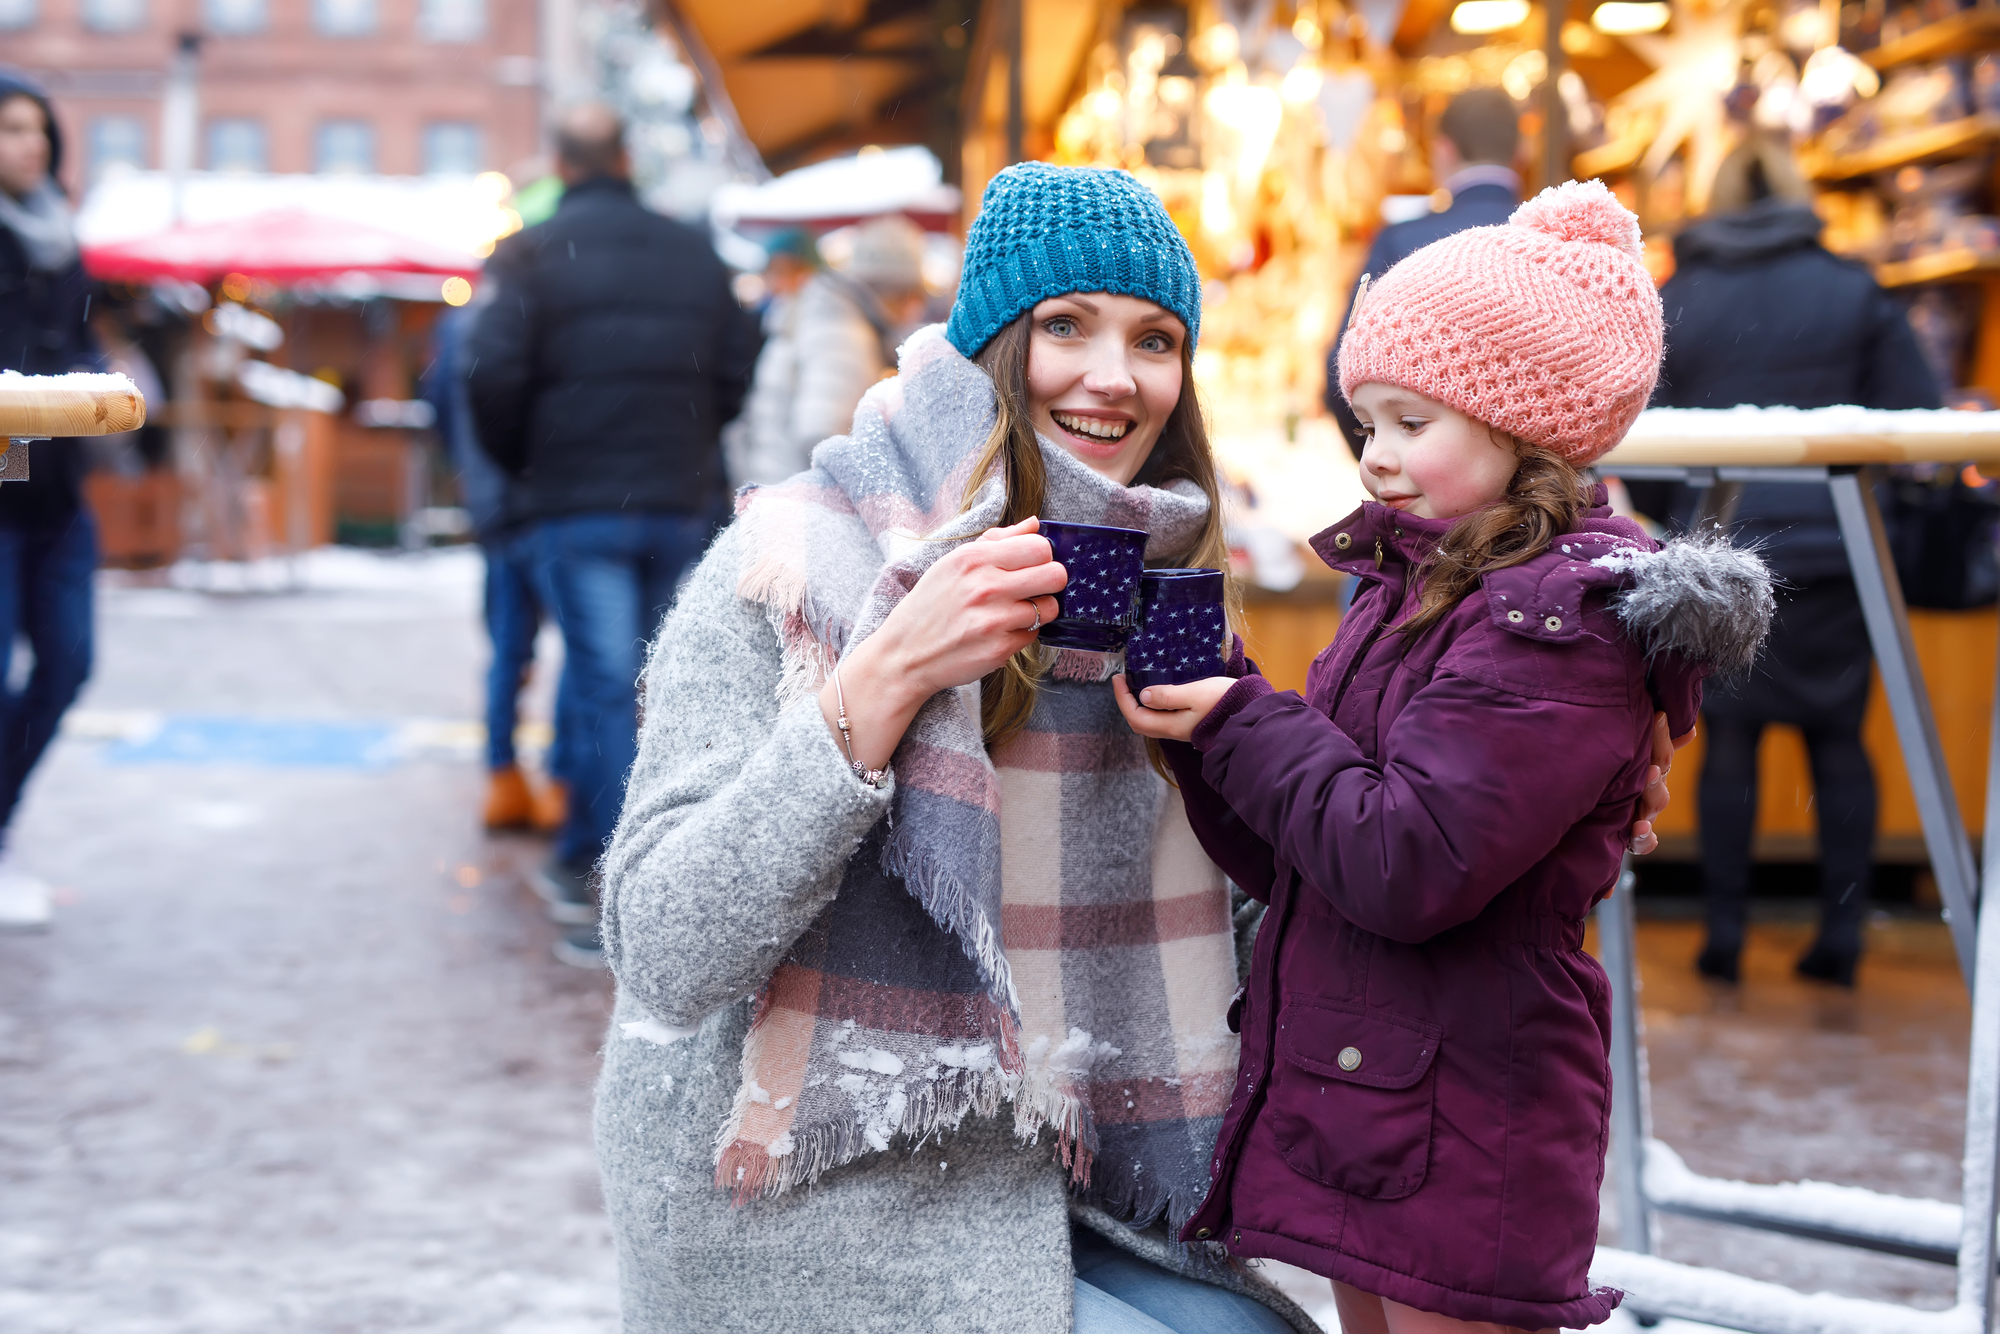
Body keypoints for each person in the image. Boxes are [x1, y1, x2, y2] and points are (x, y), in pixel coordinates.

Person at [595, 162, 1325, 1334]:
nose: (1111, 375)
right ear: (988, 348)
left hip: (1066, 1164)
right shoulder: (794, 567)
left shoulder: (1162, 597)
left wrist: (1478, 799)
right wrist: (886, 674)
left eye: (1153, 340)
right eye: (1065, 326)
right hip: (806, 1192)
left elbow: (1257, 938)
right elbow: (666, 949)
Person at [1118, 182, 1774, 1332]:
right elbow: (1306, 859)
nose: (1373, 458)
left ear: (1521, 425)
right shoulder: (1417, 588)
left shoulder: (1555, 626)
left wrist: (1240, 724)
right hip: (1372, 1092)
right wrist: (1201, 730)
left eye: (1409, 422)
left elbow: (1404, 861)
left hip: (1467, 1111)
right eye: (1364, 422)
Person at [467, 103, 760, 964]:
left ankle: (612, 878)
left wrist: (532, 465)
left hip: (577, 503)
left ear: (560, 161)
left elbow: (488, 379)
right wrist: (689, 436)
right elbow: (739, 363)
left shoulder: (527, 254)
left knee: (602, 686)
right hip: (674, 498)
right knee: (664, 687)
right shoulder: (690, 249)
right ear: (627, 156)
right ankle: (625, 864)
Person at [1648, 134, 1940, 987]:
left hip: (1723, 545)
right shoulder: (1853, 290)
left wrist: (1677, 516)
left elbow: (1639, 417)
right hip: (1839, 545)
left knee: (1730, 736)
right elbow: (1917, 412)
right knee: (1839, 738)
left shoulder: (1683, 295)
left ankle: (1723, 935)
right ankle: (1841, 935)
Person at [0, 69, 101, 930]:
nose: (27, 144)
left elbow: (79, 344)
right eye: (8, 130)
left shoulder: (62, 238)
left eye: (36, 129)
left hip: (56, 491)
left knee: (69, 661)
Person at [420, 303, 568, 840]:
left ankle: (503, 776)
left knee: (510, 648)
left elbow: (439, 406)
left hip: (494, 506)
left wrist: (472, 473)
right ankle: (559, 780)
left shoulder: (461, 326)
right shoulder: (548, 318)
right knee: (580, 651)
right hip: (546, 506)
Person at [1323, 85, 1523, 459]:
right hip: (1544, 495)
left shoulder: (1403, 242)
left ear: (1444, 150)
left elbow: (1343, 373)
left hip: (1428, 496)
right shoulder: (1555, 243)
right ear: (1520, 150)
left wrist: (1390, 456)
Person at [728, 214, 929, 486]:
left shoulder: (832, 315)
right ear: (902, 292)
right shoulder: (844, 331)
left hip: (777, 490)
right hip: (796, 505)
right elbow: (823, 436)